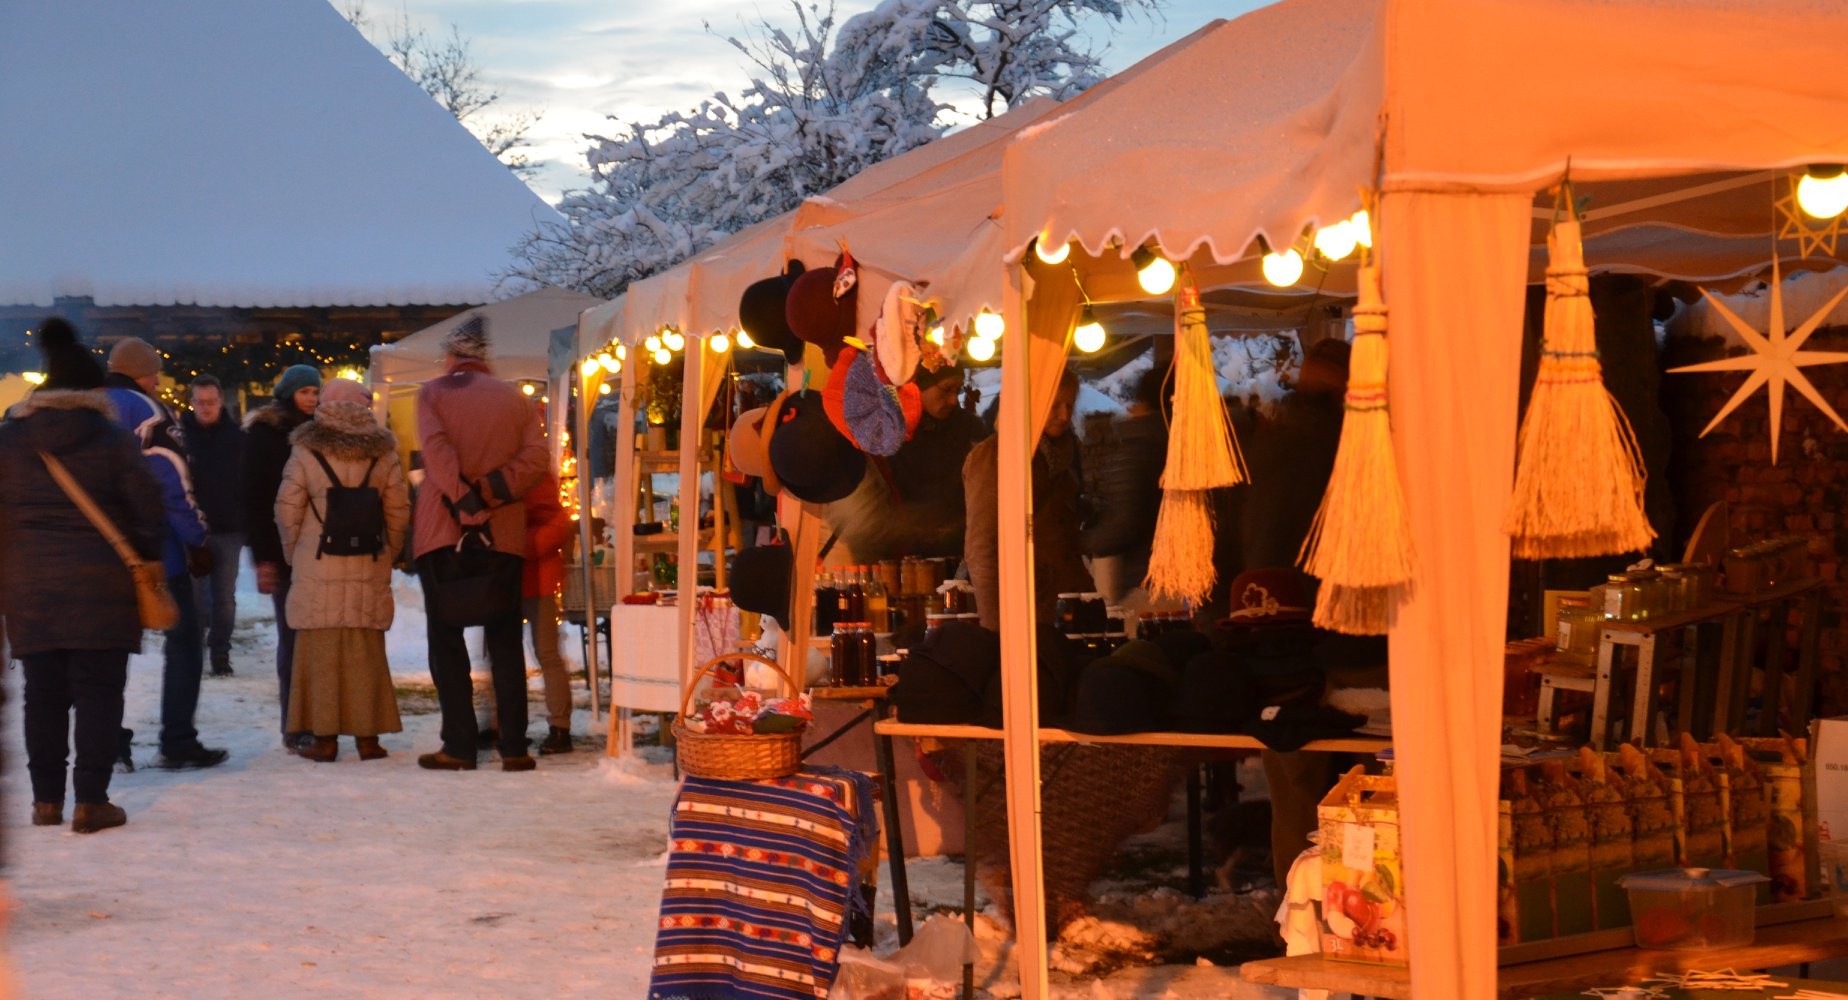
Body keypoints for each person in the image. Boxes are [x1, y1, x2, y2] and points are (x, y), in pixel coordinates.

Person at [0, 319, 166, 832]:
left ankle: (46, 801)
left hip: (30, 589)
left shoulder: (9, 441)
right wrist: (147, 556)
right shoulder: (112, 440)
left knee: (42, 695)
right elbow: (148, 509)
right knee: (99, 692)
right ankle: (91, 801)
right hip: (103, 587)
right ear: (94, 392)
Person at [412, 316, 548, 772]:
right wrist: (490, 491)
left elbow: (436, 452)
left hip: (442, 533)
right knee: (505, 641)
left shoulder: (432, 394)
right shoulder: (516, 399)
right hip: (503, 533)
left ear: (452, 355)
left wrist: (465, 499)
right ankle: (514, 747)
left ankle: (459, 745)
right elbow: (537, 460)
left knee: (446, 641)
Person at [102, 337, 225, 771]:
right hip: (155, 553)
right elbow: (172, 484)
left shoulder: (87, 408)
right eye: (154, 373)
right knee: (185, 640)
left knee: (107, 652)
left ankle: (108, 742)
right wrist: (197, 539)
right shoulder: (149, 413)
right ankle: (178, 740)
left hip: (98, 554)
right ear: (142, 373)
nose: (157, 380)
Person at [273, 378, 409, 762]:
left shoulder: (306, 449)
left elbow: (287, 509)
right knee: (365, 652)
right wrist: (388, 552)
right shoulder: (383, 452)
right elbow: (398, 511)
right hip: (369, 561)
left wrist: (295, 553)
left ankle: (325, 740)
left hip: (317, 563)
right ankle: (368, 740)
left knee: (321, 653)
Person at [962, 368, 1091, 631]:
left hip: (1063, 605)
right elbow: (983, 546)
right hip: (1023, 608)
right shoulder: (994, 457)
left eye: (1069, 405)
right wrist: (995, 628)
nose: (1064, 415)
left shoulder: (1062, 454)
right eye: (1054, 406)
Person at [244, 364, 322, 751]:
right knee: (292, 638)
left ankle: (317, 718)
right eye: (305, 391)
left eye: (315, 391)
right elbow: (255, 499)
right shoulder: (265, 434)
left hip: (317, 548)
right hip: (282, 548)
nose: (312, 398)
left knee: (315, 638)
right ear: (289, 393)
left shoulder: (317, 433)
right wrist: (264, 557)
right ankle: (294, 724)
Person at [1084, 366, 1169, 603]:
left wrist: (1082, 541)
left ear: (1143, 402)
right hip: (1188, 574)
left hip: (1143, 579)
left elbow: (1123, 524)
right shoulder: (1188, 447)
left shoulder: (1138, 449)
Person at [886, 365, 987, 558]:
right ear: (921, 385)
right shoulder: (894, 429)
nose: (953, 400)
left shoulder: (970, 429)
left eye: (957, 391)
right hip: (904, 548)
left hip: (962, 546)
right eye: (947, 389)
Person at [182, 374, 245, 677]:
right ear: (192, 403)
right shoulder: (181, 438)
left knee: (224, 598)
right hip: (191, 528)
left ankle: (220, 653)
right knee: (195, 599)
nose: (206, 408)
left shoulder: (237, 438)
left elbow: (248, 481)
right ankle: (193, 653)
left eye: (211, 402)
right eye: (200, 402)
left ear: (221, 402)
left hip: (228, 528)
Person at [522, 471, 576, 755]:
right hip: (518, 575)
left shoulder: (535, 476)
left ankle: (559, 726)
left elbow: (557, 524)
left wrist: (522, 545)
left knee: (546, 652)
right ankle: (509, 725)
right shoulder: (529, 471)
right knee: (507, 655)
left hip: (536, 577)